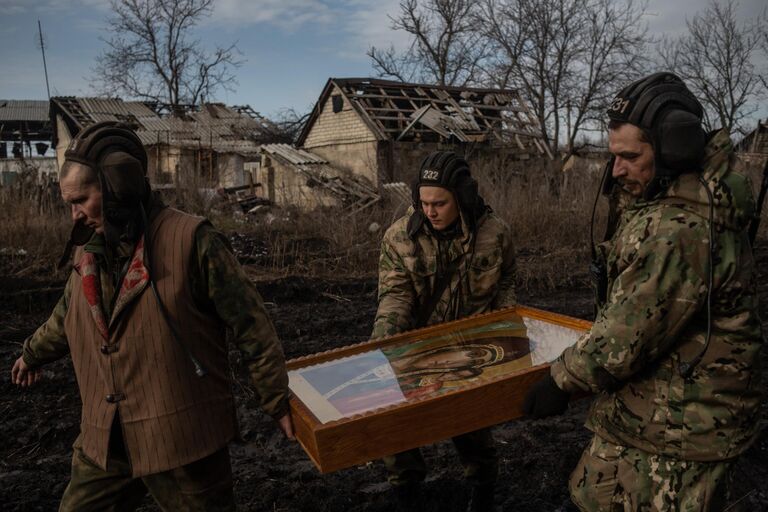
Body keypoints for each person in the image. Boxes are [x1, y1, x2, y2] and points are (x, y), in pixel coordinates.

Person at [10, 121, 293, 511]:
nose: (74, 215)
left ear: (117, 187)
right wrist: (32, 353)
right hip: (106, 440)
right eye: (69, 204)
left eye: (81, 200)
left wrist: (277, 401)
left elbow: (251, 325)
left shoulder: (192, 240)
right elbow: (67, 316)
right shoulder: (89, 250)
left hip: (182, 439)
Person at [523, 72, 763, 511]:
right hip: (662, 404)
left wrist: (561, 381)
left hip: (685, 425)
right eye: (613, 156)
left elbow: (626, 335)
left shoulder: (681, 229)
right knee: (591, 491)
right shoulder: (674, 199)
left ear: (674, 151)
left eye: (630, 157)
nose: (615, 171)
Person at [372, 151, 517, 512]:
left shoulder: (495, 234)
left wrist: (506, 344)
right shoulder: (399, 239)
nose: (430, 211)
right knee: (398, 431)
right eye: (423, 203)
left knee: (474, 433)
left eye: (439, 203)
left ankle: (483, 494)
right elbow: (394, 298)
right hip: (417, 350)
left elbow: (507, 284)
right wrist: (382, 351)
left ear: (462, 197)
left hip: (473, 349)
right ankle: (408, 496)